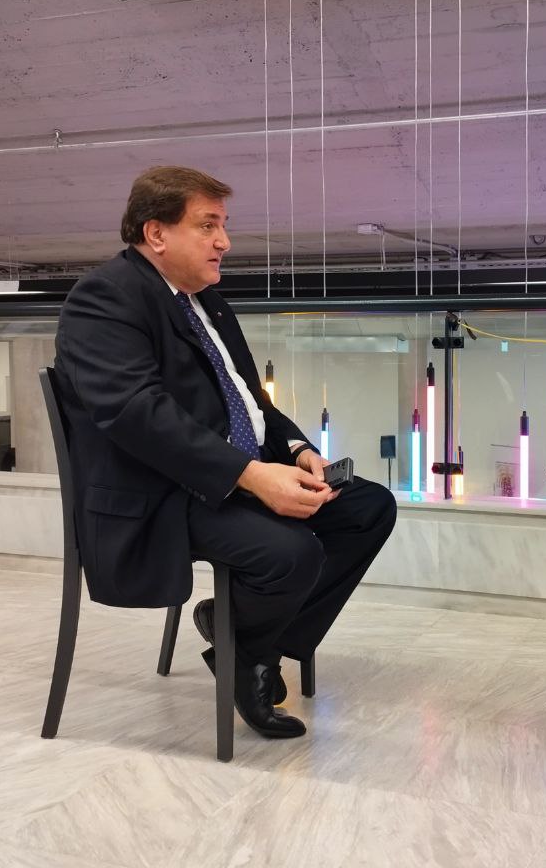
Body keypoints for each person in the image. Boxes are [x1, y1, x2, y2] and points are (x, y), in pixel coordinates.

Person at [54, 165, 396, 740]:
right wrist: (251, 476)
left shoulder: (205, 302)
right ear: (156, 233)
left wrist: (296, 449)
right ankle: (248, 655)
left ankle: (245, 642)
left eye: (223, 225)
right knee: (291, 553)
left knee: (367, 508)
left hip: (225, 476)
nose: (225, 241)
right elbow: (137, 412)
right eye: (207, 225)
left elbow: (249, 398)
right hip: (162, 493)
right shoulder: (105, 298)